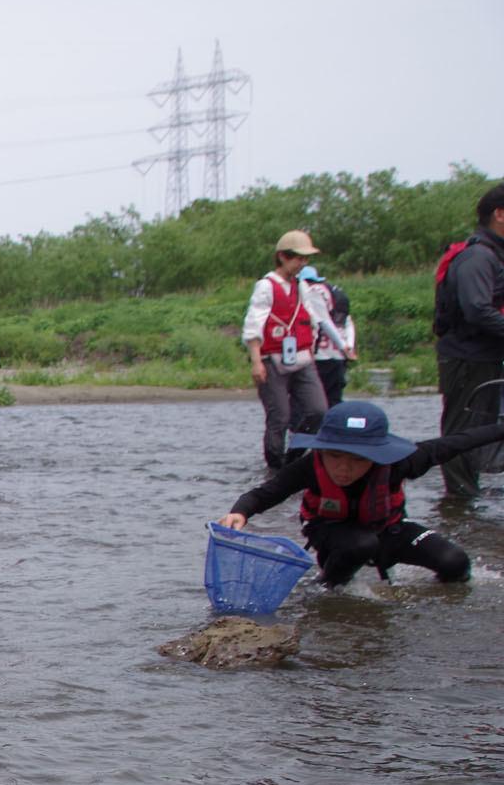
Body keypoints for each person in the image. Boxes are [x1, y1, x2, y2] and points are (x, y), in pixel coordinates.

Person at [216, 400, 504, 587]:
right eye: (335, 456)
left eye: (358, 459)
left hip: (388, 531)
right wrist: (239, 512)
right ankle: (328, 587)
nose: (344, 468)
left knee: (456, 563)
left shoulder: (400, 461)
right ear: (322, 450)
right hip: (332, 534)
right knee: (360, 544)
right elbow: (266, 493)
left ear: (377, 455)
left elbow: (457, 442)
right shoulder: (309, 466)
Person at [240, 229, 351, 469]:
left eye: (305, 259)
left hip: (302, 359)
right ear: (282, 257)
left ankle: (294, 458)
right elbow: (253, 325)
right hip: (272, 360)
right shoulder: (266, 287)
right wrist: (256, 361)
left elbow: (314, 319)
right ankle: (274, 466)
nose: (303, 263)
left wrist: (313, 348)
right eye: (299, 258)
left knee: (319, 411)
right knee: (279, 417)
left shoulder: (302, 287)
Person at [432, 182, 504, 498]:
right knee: (462, 431)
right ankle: (460, 500)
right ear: (500, 215)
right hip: (466, 358)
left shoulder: (492, 254)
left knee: (477, 430)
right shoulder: (478, 256)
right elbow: (477, 310)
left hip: (483, 356)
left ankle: (468, 497)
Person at [299, 266, 356, 407]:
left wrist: (344, 346)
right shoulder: (334, 292)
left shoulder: (311, 293)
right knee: (334, 400)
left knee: (310, 402)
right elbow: (348, 323)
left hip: (322, 356)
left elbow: (324, 322)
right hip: (339, 357)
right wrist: (349, 346)